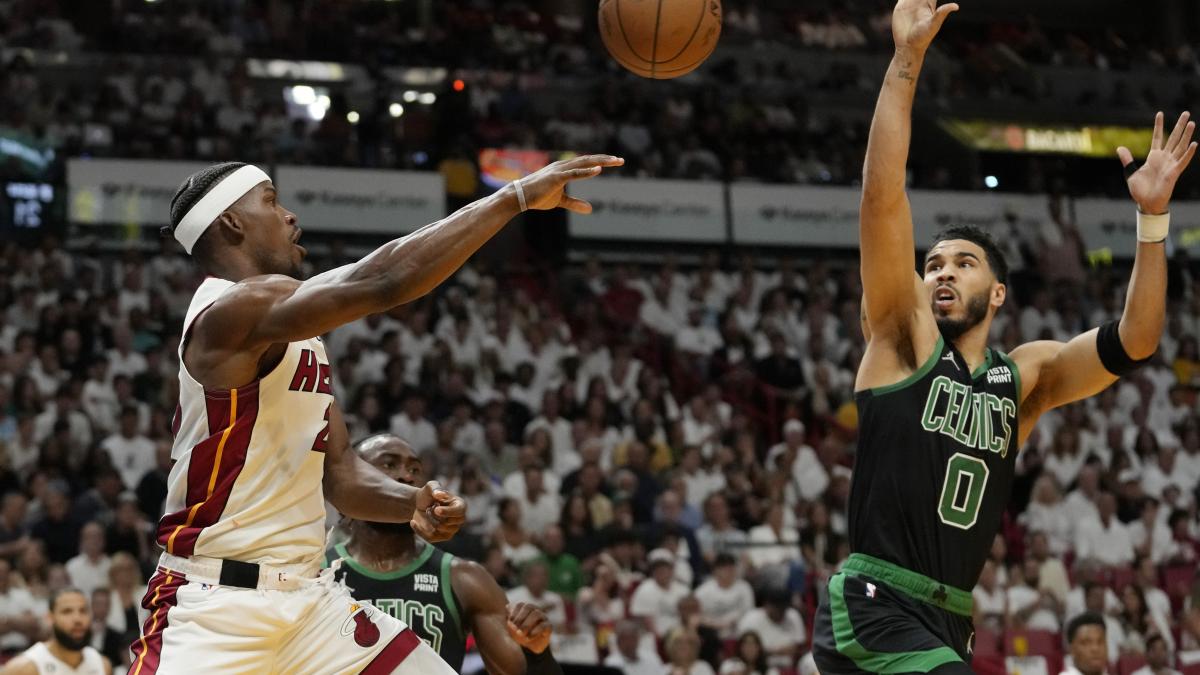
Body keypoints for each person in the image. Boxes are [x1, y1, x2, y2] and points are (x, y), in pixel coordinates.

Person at [811, 1, 1196, 673]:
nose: (941, 273)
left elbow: (1137, 340)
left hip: (951, 615)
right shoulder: (902, 336)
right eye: (932, 263)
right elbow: (880, 198)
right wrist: (907, 60)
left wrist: (1153, 221)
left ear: (997, 292)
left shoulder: (1023, 379)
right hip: (872, 605)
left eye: (962, 262)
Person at [134, 154, 620, 672]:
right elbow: (383, 281)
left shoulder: (295, 332)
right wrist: (512, 198)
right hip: (215, 608)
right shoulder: (228, 311)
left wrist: (411, 504)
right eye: (273, 201)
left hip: (308, 606)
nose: (290, 216)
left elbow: (340, 472)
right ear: (231, 222)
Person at [328, 434, 563, 675]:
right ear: (350, 483)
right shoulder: (316, 572)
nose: (407, 476)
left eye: (415, 469)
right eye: (389, 464)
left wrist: (538, 653)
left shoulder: (465, 579)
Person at [1, 588, 111, 675]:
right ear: (50, 618)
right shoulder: (23, 668)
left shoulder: (102, 665)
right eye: (67, 611)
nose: (77, 619)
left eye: (83, 611)